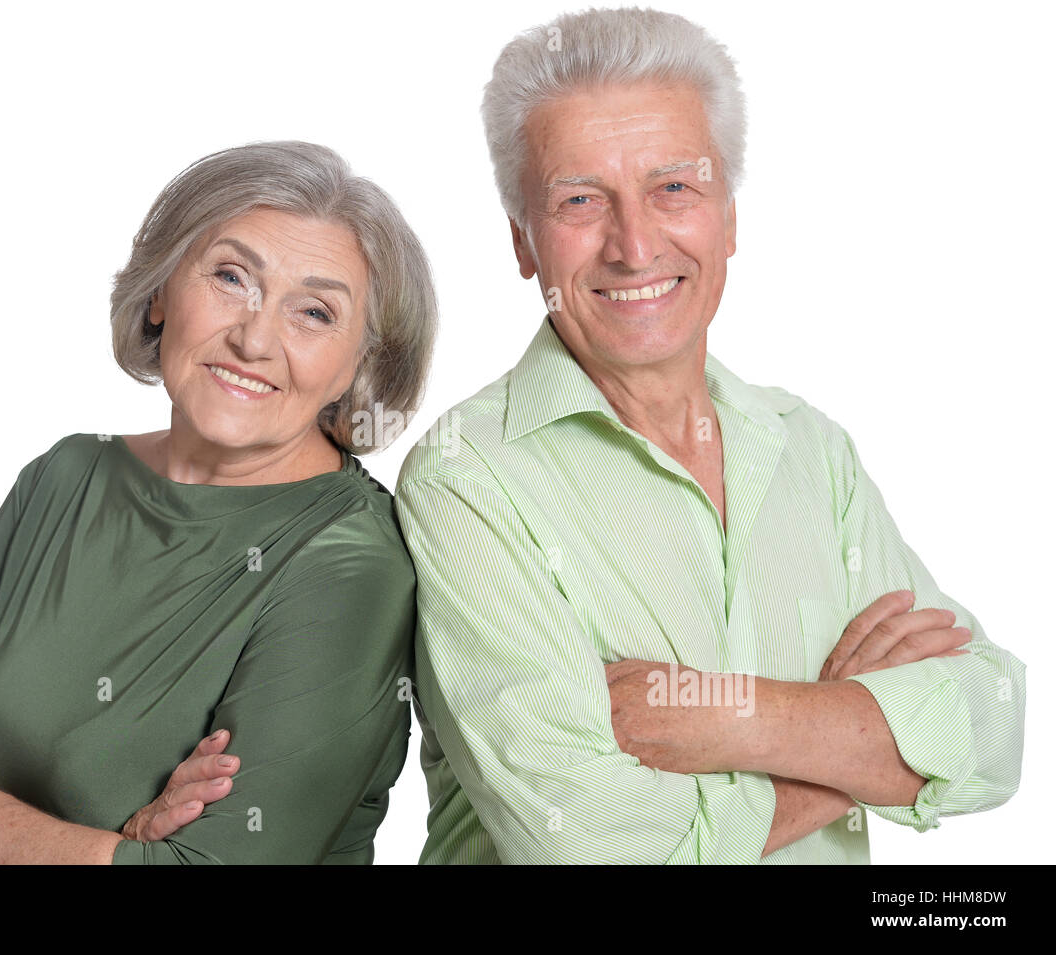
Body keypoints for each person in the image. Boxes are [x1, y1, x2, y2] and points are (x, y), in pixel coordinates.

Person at [395, 7, 1026, 863]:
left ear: (727, 218)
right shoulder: (464, 476)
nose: (634, 243)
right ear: (523, 242)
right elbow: (590, 842)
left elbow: (992, 726)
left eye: (674, 188)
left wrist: (717, 714)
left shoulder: (811, 449)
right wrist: (856, 741)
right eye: (581, 200)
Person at [0, 140, 437, 864]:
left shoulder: (351, 566)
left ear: (358, 367)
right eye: (229, 276)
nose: (254, 337)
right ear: (160, 292)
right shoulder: (64, 478)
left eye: (313, 312)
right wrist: (120, 845)